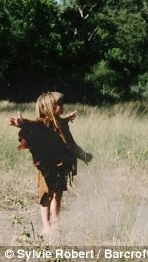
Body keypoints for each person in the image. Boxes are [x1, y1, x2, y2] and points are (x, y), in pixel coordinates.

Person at [10, 92, 92, 235]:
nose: (62, 106)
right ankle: (46, 226)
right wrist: (22, 123)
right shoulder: (42, 123)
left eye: (62, 103)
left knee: (58, 195)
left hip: (60, 165)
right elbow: (35, 125)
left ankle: (56, 223)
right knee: (46, 195)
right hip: (47, 167)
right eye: (58, 104)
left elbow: (69, 142)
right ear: (48, 107)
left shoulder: (60, 123)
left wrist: (83, 155)